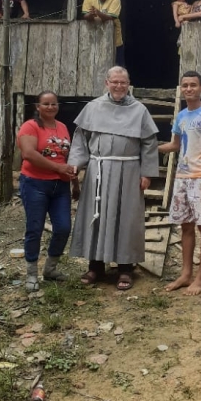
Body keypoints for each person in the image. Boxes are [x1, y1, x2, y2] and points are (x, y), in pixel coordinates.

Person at [68, 66, 159, 290]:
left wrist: (147, 172)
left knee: (126, 218)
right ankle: (95, 266)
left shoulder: (139, 110)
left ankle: (125, 268)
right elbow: (80, 139)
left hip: (128, 171)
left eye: (123, 82)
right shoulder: (93, 107)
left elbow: (149, 143)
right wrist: (76, 164)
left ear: (128, 85)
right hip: (98, 170)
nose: (119, 86)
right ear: (106, 83)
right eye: (115, 82)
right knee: (95, 217)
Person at [158, 71, 201, 296]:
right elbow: (175, 145)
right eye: (185, 85)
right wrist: (152, 147)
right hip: (182, 178)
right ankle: (186, 274)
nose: (188, 89)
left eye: (193, 85)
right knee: (185, 226)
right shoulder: (181, 116)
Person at [17, 91, 79, 292]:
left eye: (54, 104)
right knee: (34, 228)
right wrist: (58, 168)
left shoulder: (62, 127)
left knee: (63, 228)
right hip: (35, 183)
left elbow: (67, 158)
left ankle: (50, 269)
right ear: (38, 106)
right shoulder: (30, 126)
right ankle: (31, 273)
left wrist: (75, 182)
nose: (50, 107)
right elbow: (28, 154)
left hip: (60, 186)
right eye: (46, 104)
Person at [82, 0, 124, 65]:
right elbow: (85, 16)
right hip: (94, 39)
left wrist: (98, 13)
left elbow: (111, 18)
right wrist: (91, 15)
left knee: (117, 66)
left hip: (114, 41)